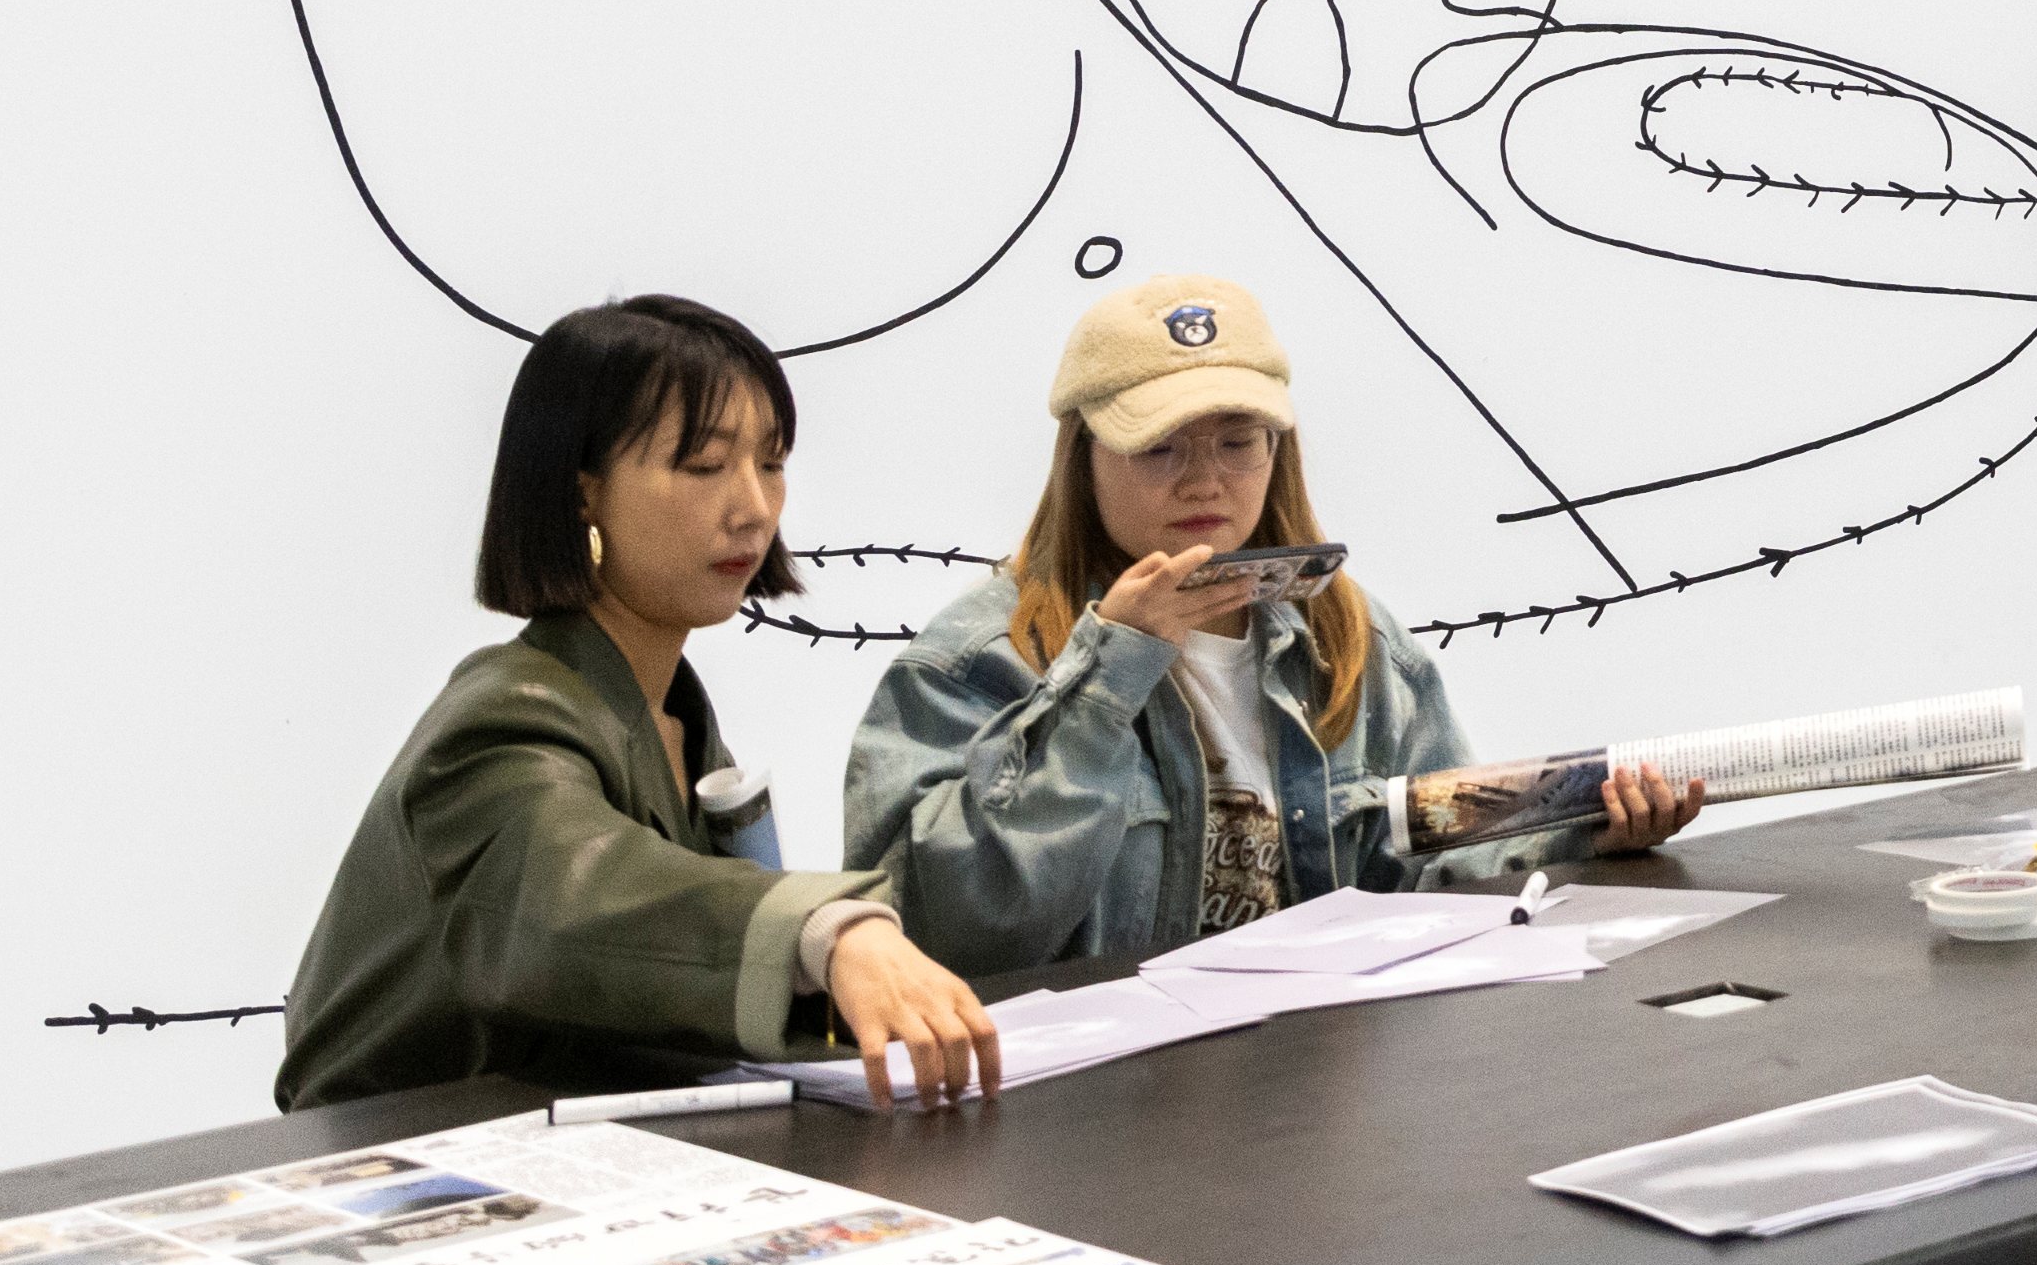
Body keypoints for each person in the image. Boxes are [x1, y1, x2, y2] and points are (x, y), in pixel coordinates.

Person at [849, 273, 1702, 973]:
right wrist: (1107, 677)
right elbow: (953, 937)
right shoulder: (980, 658)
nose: (1204, 480)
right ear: (1084, 458)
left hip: (1310, 1083)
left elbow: (1438, 864)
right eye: (1159, 446)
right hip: (1091, 1102)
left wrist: (1587, 836)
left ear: (1277, 449)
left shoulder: (1347, 636)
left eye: (1238, 441)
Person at [278, 295, 1002, 1112]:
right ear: (583, 494)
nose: (754, 507)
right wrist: (829, 930)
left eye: (771, 462)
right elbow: (575, 899)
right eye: (703, 464)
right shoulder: (501, 721)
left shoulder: (677, 720)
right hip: (404, 1158)